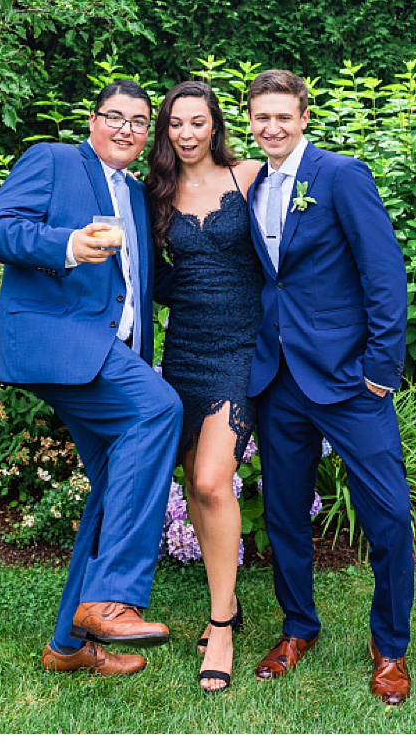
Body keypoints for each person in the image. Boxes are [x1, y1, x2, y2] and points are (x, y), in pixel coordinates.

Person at [0, 79, 183, 677]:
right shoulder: (56, 159)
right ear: (92, 121)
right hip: (57, 339)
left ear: (148, 136)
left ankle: (68, 646)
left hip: (112, 354)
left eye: (140, 122)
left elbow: (147, 284)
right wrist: (64, 243)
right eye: (114, 116)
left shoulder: (141, 198)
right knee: (159, 409)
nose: (127, 129)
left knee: (118, 481)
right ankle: (110, 598)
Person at [241, 69, 415, 705]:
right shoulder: (252, 183)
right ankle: (297, 628)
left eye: (283, 115)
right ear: (251, 121)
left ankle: (389, 647)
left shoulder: (341, 176)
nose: (273, 127)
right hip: (278, 380)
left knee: (390, 515)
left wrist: (379, 368)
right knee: (285, 514)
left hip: (349, 379)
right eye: (262, 117)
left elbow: (384, 274)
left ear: (304, 117)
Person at [146, 80, 265, 693]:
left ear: (215, 125)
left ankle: (220, 624)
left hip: (240, 349)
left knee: (215, 480)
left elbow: (284, 253)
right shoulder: (157, 193)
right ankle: (232, 598)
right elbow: (148, 271)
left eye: (197, 123)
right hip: (184, 348)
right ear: (165, 131)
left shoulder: (250, 177)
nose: (186, 134)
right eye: (175, 124)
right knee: (194, 480)